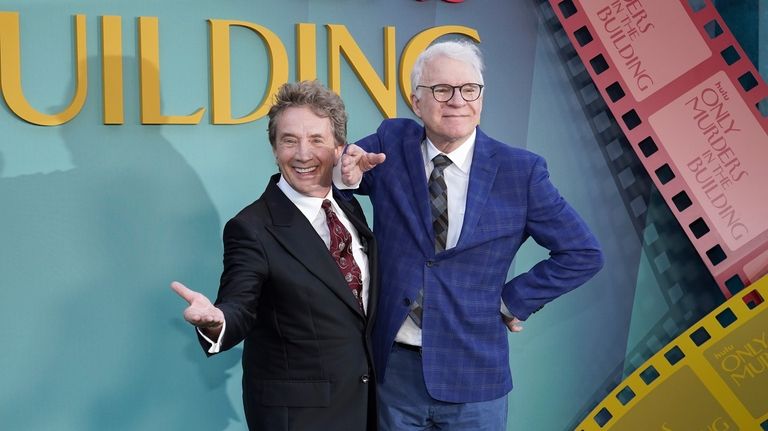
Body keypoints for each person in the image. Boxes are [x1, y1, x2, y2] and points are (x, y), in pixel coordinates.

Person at [340, 40, 604, 430]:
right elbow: (345, 170)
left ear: (481, 98)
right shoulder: (390, 143)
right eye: (442, 90)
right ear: (416, 101)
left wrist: (511, 302)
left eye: (469, 90)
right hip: (393, 372)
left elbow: (582, 252)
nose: (457, 101)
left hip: (475, 377)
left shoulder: (521, 171)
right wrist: (344, 173)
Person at [172, 80, 378, 431]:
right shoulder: (252, 227)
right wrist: (217, 320)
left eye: (316, 139)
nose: (302, 154)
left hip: (366, 409)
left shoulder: (349, 206)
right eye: (289, 140)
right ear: (274, 149)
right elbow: (240, 303)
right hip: (299, 418)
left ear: (339, 147)